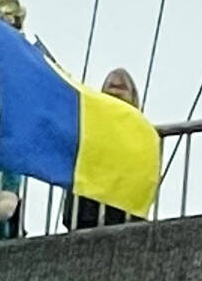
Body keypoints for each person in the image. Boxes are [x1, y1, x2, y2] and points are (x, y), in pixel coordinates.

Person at [62, 67, 149, 230]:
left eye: (121, 89)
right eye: (111, 89)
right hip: (84, 213)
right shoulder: (88, 126)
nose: (115, 94)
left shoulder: (142, 135)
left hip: (122, 213)